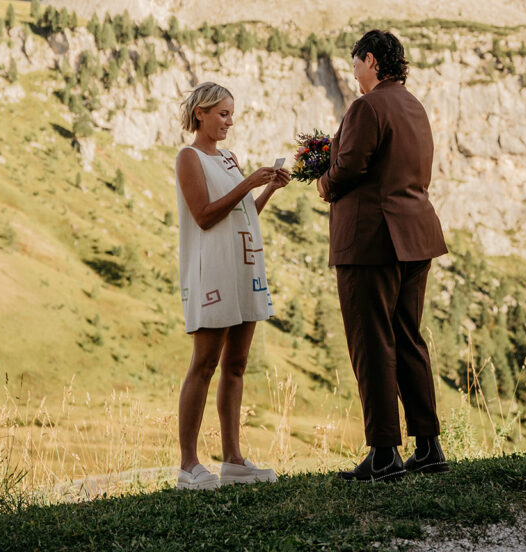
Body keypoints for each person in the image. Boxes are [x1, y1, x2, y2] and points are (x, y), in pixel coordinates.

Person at [317, 29, 449, 482]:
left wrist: (324, 182)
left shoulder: (367, 107)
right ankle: (428, 446)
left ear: (371, 60)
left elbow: (350, 167)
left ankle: (384, 453)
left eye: (356, 64)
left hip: (372, 240)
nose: (354, 74)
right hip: (416, 236)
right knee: (408, 337)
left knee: (371, 342)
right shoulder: (414, 106)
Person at [174, 81, 290, 490]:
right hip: (214, 272)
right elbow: (204, 216)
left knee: (236, 364)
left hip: (244, 268)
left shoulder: (227, 158)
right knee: (204, 363)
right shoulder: (189, 158)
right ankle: (188, 465)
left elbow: (243, 214)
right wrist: (249, 181)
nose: (229, 122)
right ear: (201, 113)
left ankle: (234, 461)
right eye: (223, 114)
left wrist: (269, 187)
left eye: (231, 115)